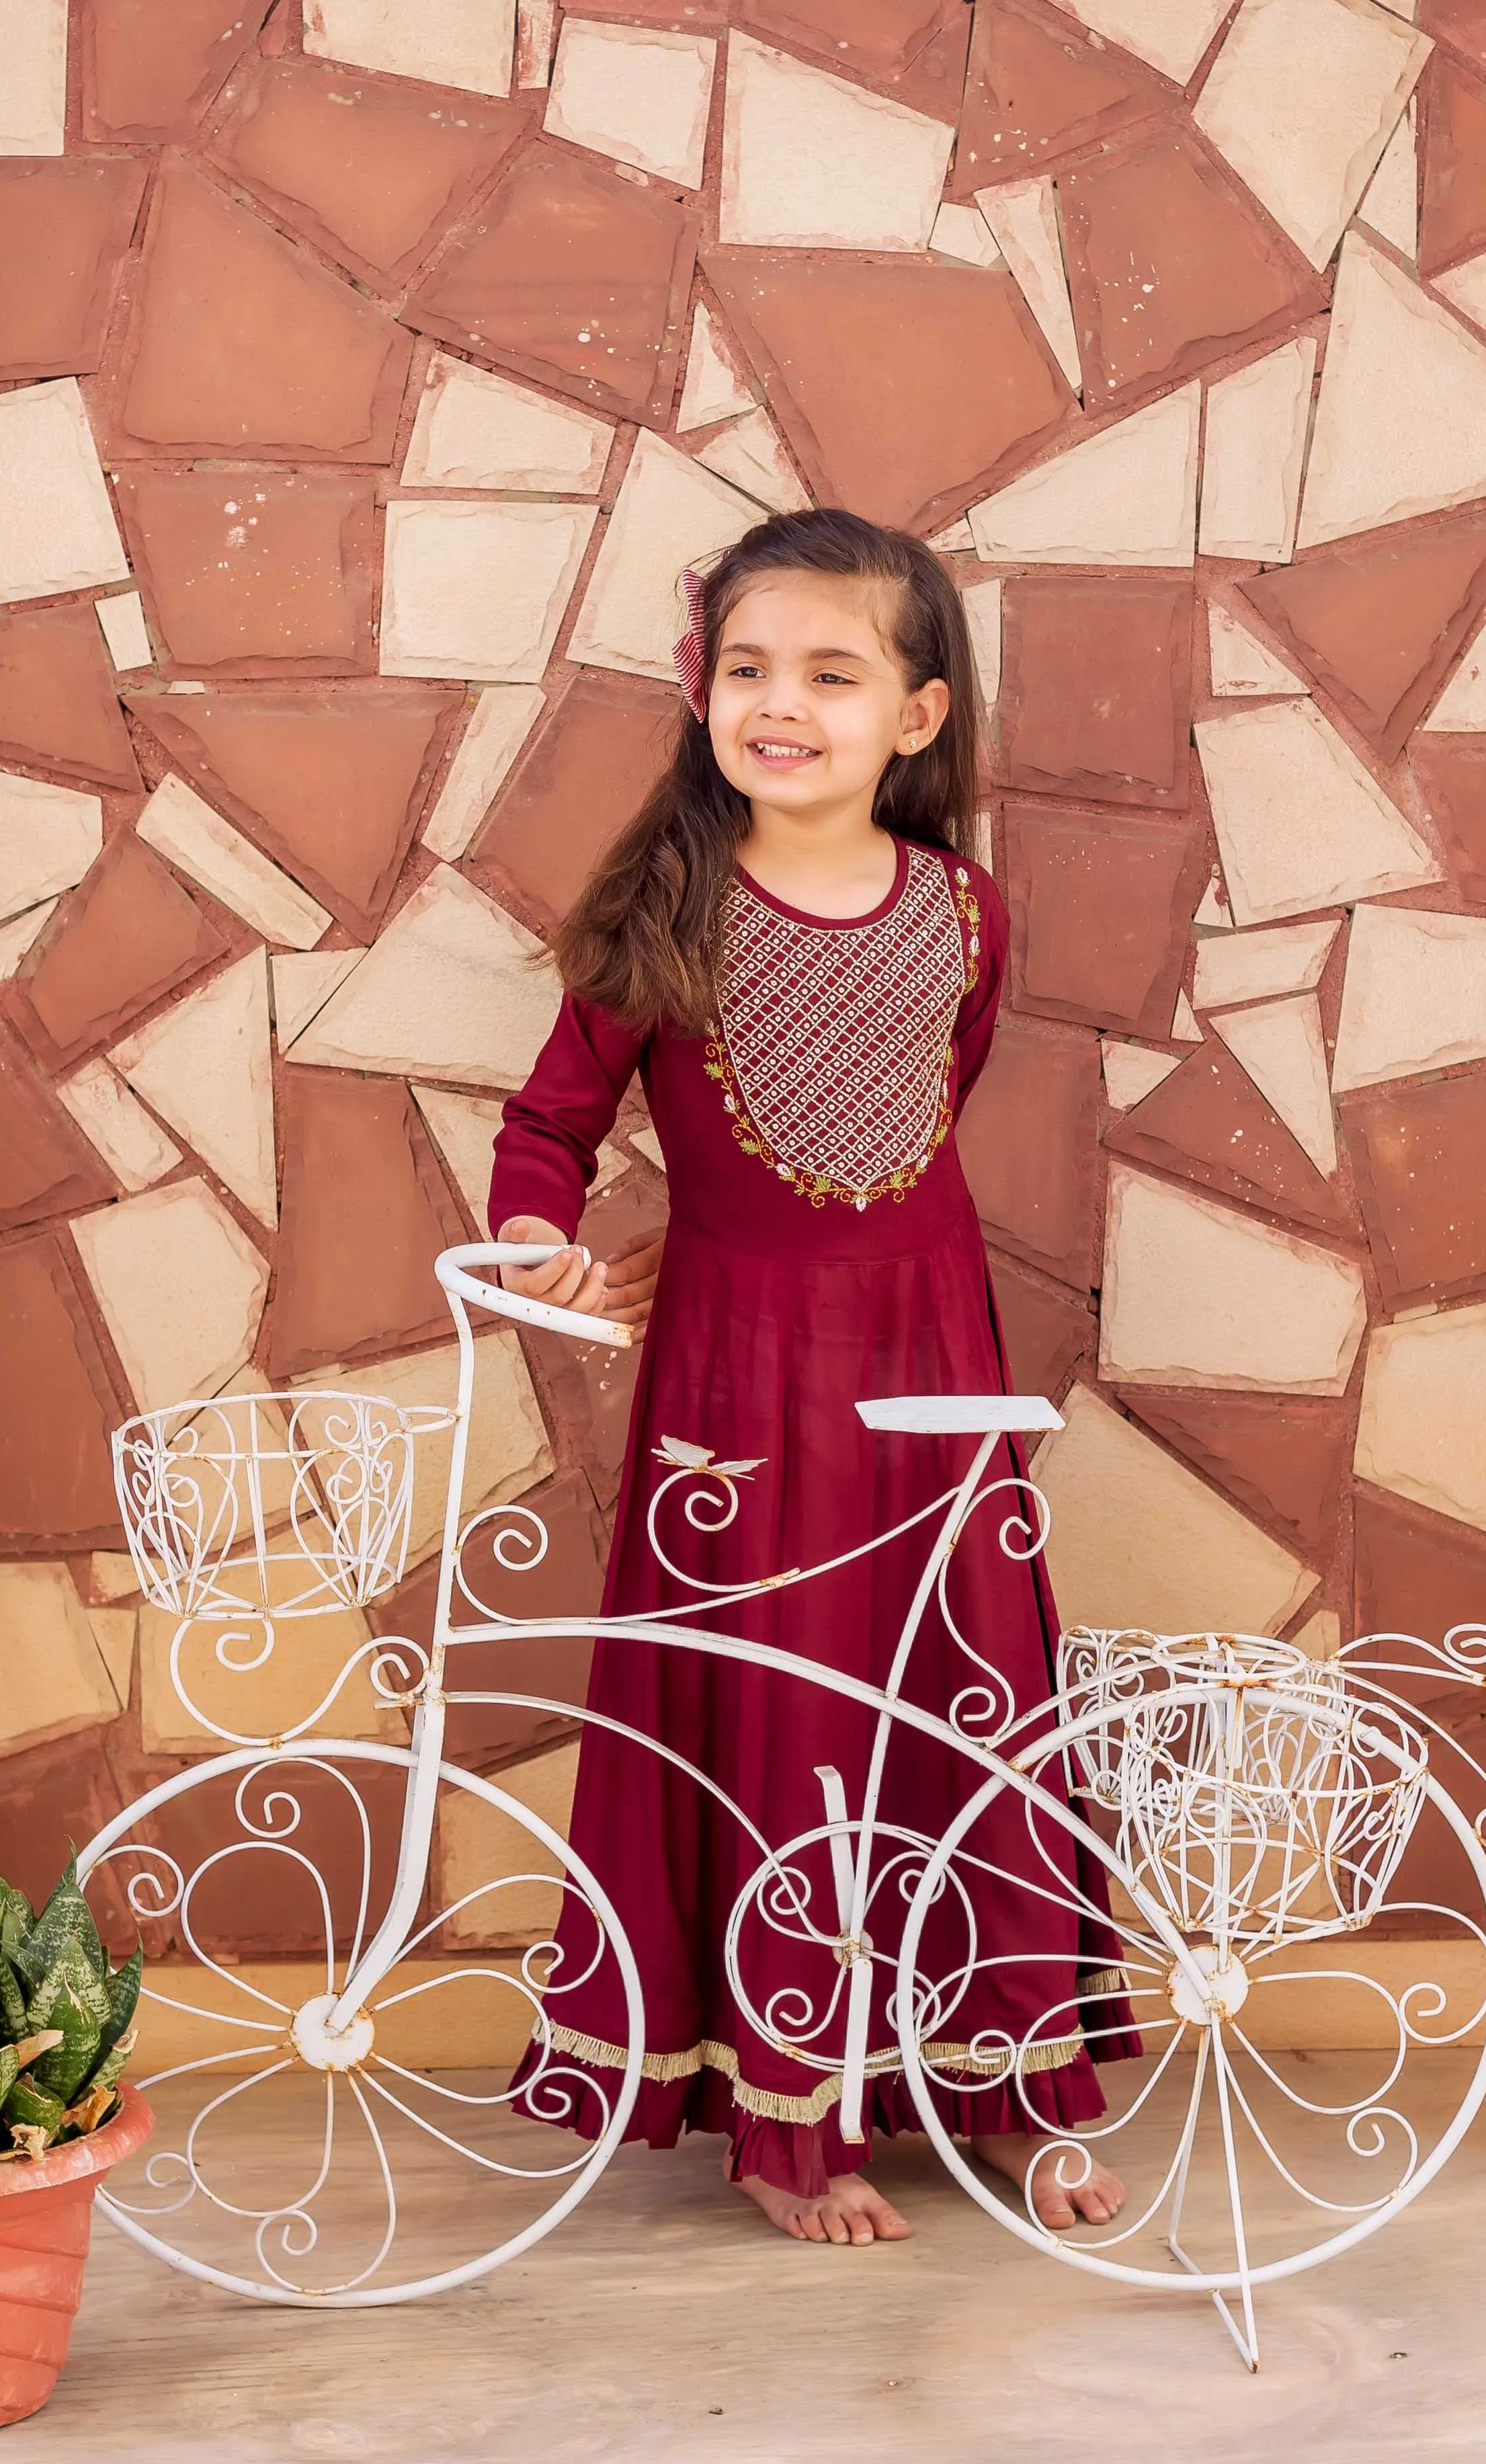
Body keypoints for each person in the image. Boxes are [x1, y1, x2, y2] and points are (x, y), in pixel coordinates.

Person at [487, 507, 1132, 2248]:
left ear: (917, 717)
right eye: (750, 669)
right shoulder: (666, 905)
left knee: (967, 1686)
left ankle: (1013, 2088)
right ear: (705, 695)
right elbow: (549, 1124)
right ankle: (792, 2125)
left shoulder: (967, 915)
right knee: (776, 1700)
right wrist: (547, 1244)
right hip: (736, 1372)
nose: (784, 704)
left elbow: (936, 1103)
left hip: (927, 1359)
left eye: (832, 675)